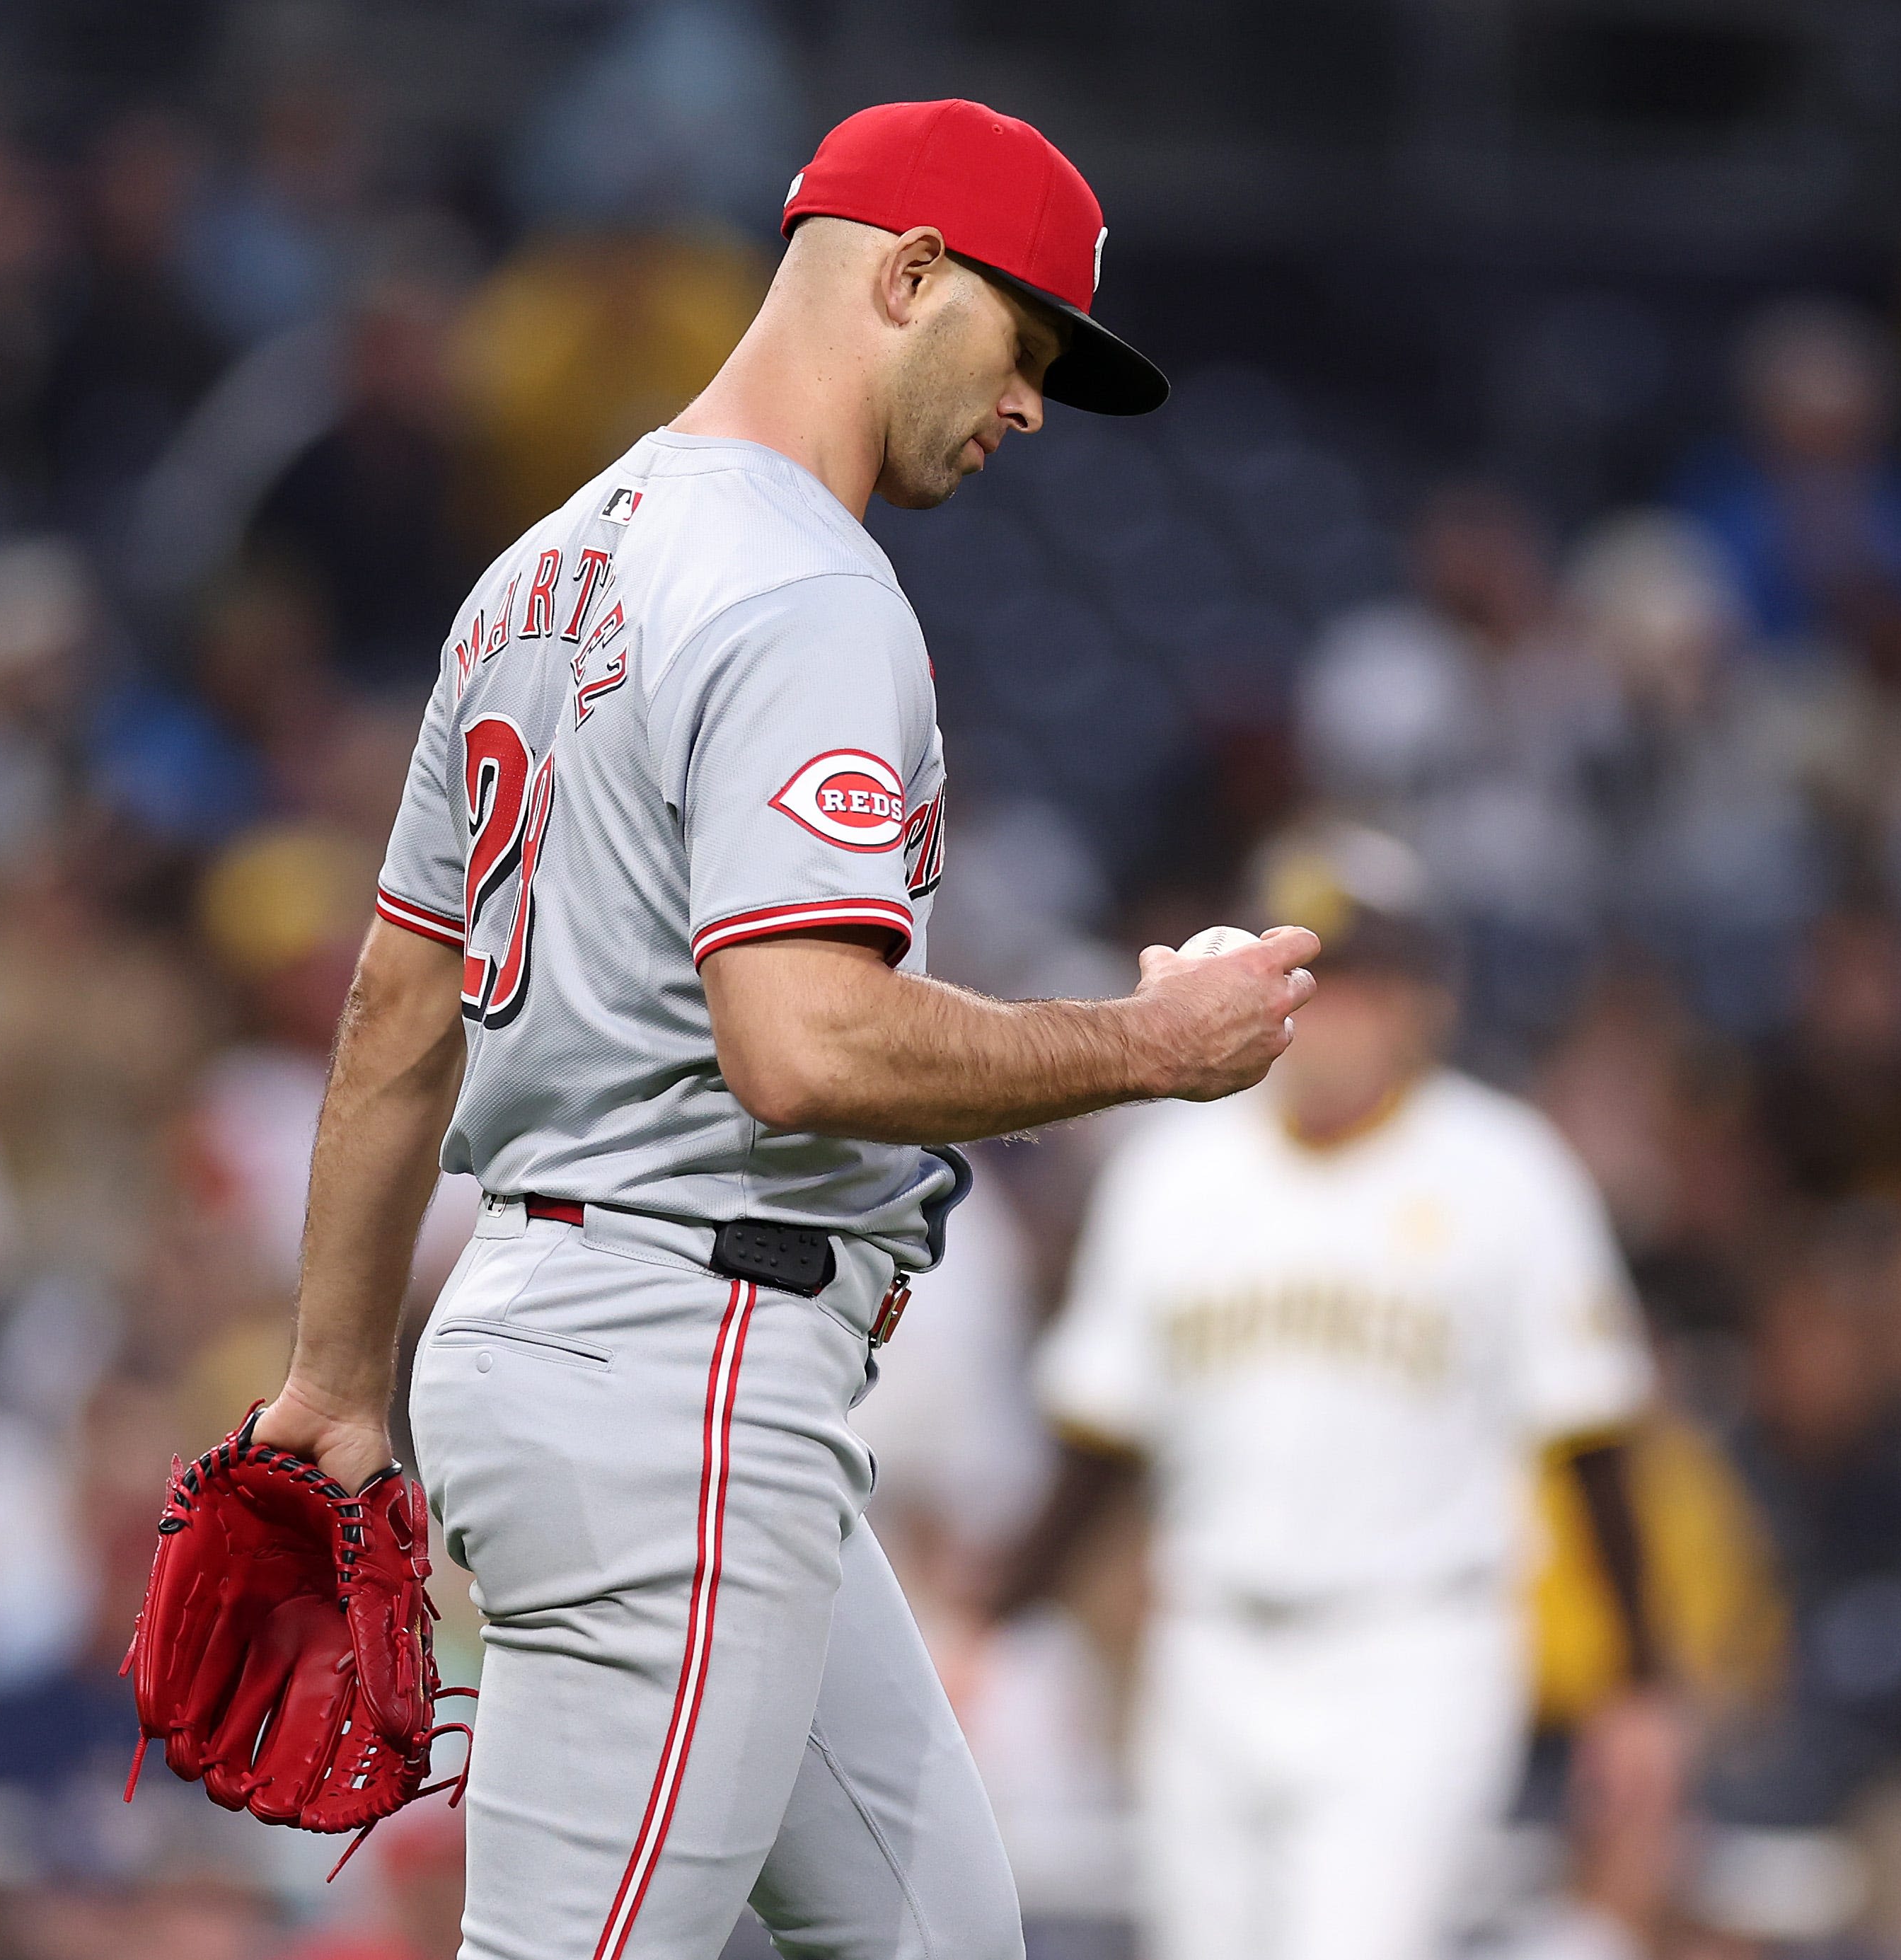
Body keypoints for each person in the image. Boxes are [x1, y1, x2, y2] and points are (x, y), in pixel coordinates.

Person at [244, 98, 1318, 1960]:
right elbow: (802, 1045)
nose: (1033, 407)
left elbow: (399, 1008)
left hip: (595, 1339)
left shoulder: (543, 570)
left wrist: (340, 1371)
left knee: (939, 1934)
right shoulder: (808, 587)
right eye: (1024, 343)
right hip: (682, 1357)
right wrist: (1149, 1048)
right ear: (906, 275)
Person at [992, 822, 1667, 1960]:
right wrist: (998, 1623)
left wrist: (1639, 1683)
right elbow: (1100, 1444)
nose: (1332, 1011)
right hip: (1209, 1643)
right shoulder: (1172, 1170)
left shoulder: (1505, 1169)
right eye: (1307, 979)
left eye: (1359, 978)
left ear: (1421, 998)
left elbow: (1590, 1443)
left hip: (1413, 1642)